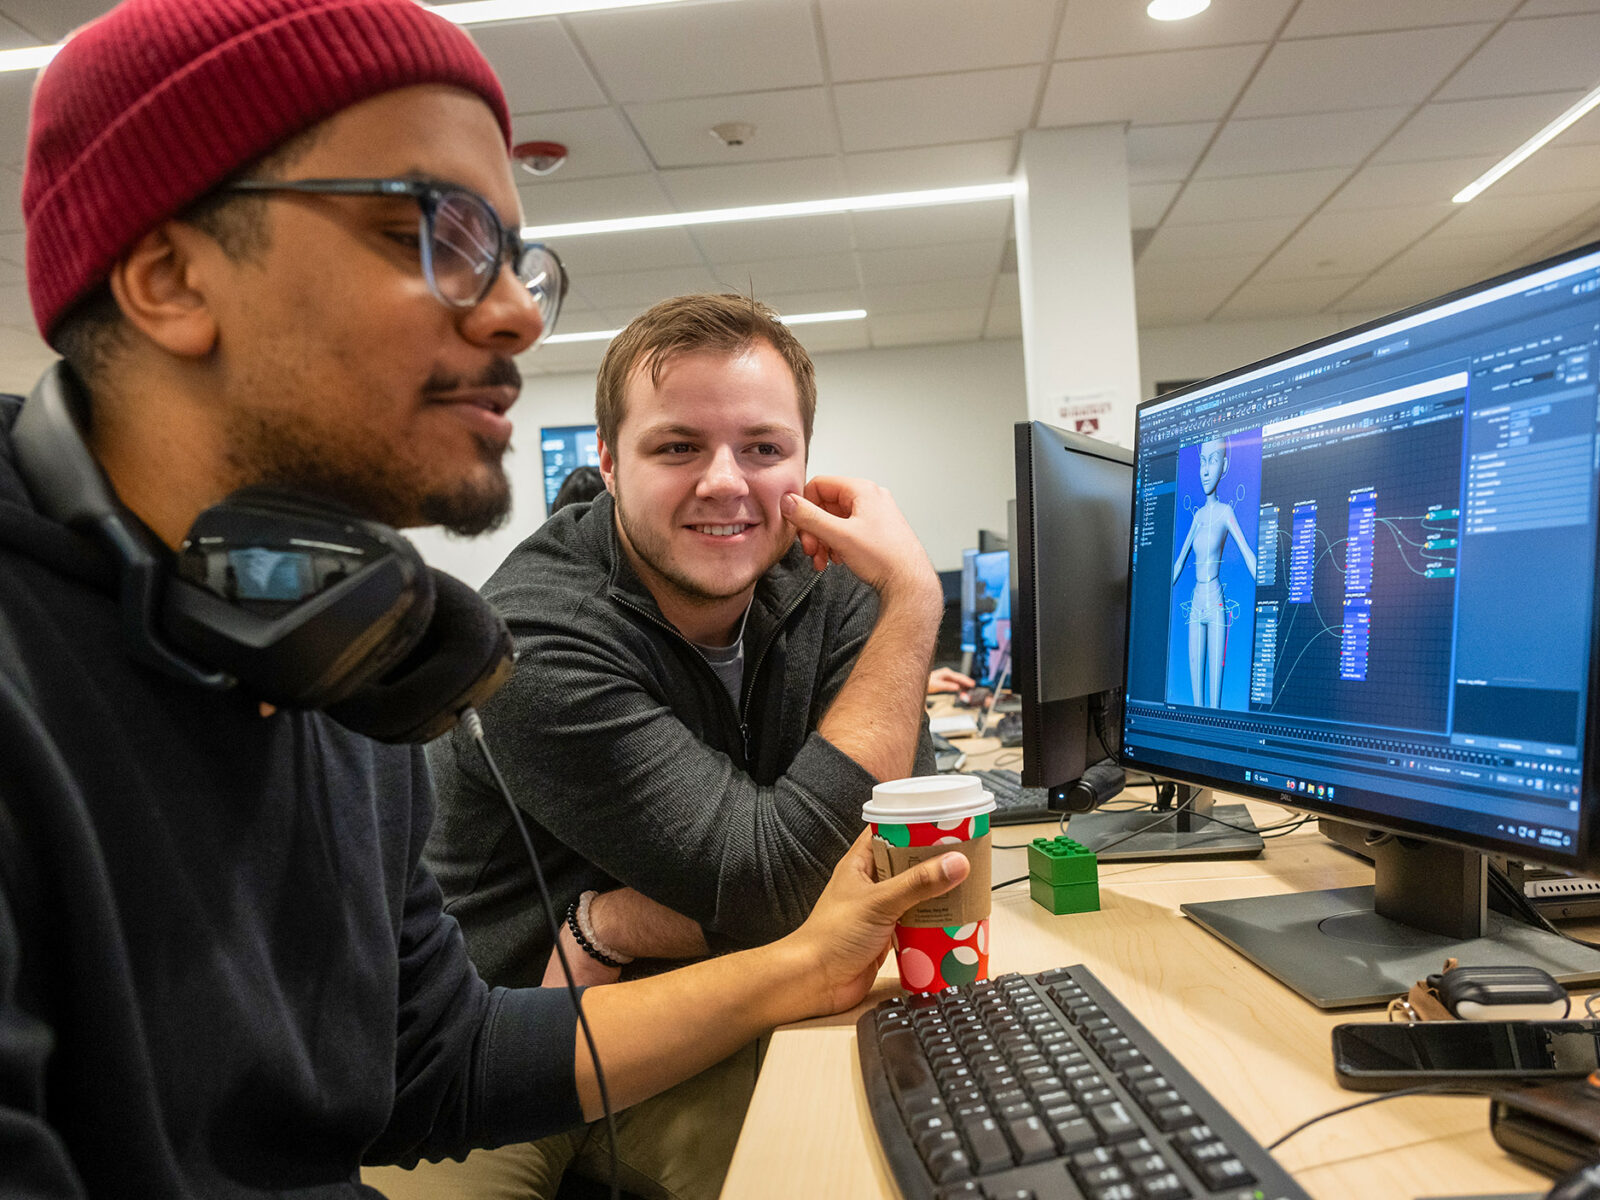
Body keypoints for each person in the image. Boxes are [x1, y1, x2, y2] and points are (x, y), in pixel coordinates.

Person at [0, 2, 968, 1197]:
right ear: (169, 279)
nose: (513, 313)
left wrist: (799, 966)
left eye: (514, 260)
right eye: (431, 233)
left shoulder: (339, 655)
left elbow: (428, 1060)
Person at [399, 293, 944, 1199]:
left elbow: (902, 839)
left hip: (721, 988)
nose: (726, 482)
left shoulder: (832, 578)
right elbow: (778, 882)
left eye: (763, 448)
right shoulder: (536, 635)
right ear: (610, 463)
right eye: (678, 446)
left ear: (803, 463)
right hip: (507, 1037)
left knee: (890, 1158)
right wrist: (917, 601)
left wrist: (619, 921)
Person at [1171, 436, 1257, 707]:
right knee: (1197, 702)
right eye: (1202, 462)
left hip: (1215, 601)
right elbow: (1179, 561)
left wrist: (1271, 586)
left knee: (1214, 703)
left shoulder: (1225, 512)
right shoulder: (1198, 517)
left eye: (1213, 461)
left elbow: (1246, 552)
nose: (1206, 471)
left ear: (1224, 466)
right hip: (1196, 603)